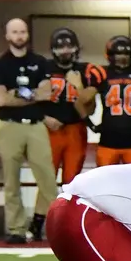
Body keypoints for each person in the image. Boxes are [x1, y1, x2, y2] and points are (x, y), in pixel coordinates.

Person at [0, 18, 59, 244]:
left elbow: (46, 93)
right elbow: (1, 100)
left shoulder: (41, 62)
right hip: (9, 128)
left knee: (48, 180)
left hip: (36, 127)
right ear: (7, 36)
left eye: (22, 32)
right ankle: (16, 229)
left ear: (27, 35)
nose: (19, 36)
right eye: (15, 32)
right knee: (11, 182)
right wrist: (31, 94)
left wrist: (17, 95)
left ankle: (58, 228)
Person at [76, 36, 131, 166]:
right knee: (105, 183)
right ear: (110, 55)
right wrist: (91, 124)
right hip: (108, 141)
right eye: (118, 54)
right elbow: (80, 102)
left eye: (126, 54)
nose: (122, 58)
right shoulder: (102, 73)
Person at [44, 28, 93, 185]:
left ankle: (67, 210)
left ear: (77, 48)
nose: (65, 51)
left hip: (75, 129)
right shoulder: (43, 67)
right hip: (50, 129)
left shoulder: (85, 70)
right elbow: (32, 100)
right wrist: (44, 119)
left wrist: (79, 86)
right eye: (60, 47)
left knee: (72, 181)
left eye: (69, 47)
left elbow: (91, 109)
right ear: (53, 49)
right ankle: (46, 211)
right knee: (46, 180)